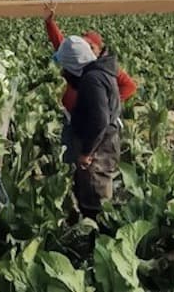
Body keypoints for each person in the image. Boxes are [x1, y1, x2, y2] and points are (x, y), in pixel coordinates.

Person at [54, 36, 122, 220]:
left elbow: (100, 120)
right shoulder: (101, 71)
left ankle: (98, 239)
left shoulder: (92, 80)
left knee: (95, 196)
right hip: (105, 141)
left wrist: (86, 152)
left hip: (99, 147)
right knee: (96, 191)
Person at [43, 0, 137, 115]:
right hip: (71, 115)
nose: (87, 49)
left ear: (98, 49)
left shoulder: (107, 67)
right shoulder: (78, 58)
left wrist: (103, 103)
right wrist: (49, 22)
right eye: (85, 45)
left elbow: (130, 86)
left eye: (91, 46)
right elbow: (61, 44)